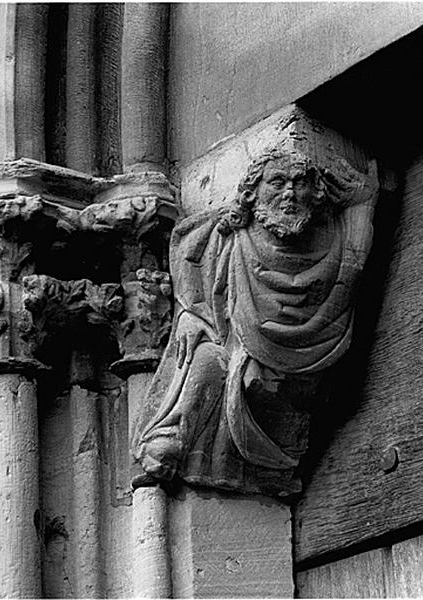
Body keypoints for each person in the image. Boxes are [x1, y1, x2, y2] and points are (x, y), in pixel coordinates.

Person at [131, 147, 379, 497]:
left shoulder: (336, 242)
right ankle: (173, 438)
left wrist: (362, 202)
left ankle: (272, 460)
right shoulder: (229, 236)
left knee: (272, 388)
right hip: (243, 354)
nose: (289, 194)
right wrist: (190, 313)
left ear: (317, 192)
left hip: (306, 363)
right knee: (206, 361)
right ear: (252, 192)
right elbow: (189, 250)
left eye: (300, 183)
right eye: (276, 183)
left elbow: (355, 257)